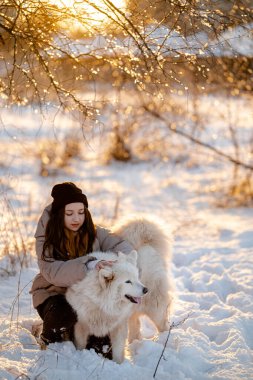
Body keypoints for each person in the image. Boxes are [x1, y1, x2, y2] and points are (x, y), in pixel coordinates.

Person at [30, 182, 133, 357]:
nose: (76, 219)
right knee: (63, 316)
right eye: (69, 213)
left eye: (81, 212)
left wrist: (112, 263)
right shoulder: (46, 237)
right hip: (53, 294)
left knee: (103, 348)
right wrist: (90, 265)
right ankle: (46, 336)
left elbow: (124, 247)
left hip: (87, 297)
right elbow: (52, 272)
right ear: (58, 214)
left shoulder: (94, 232)